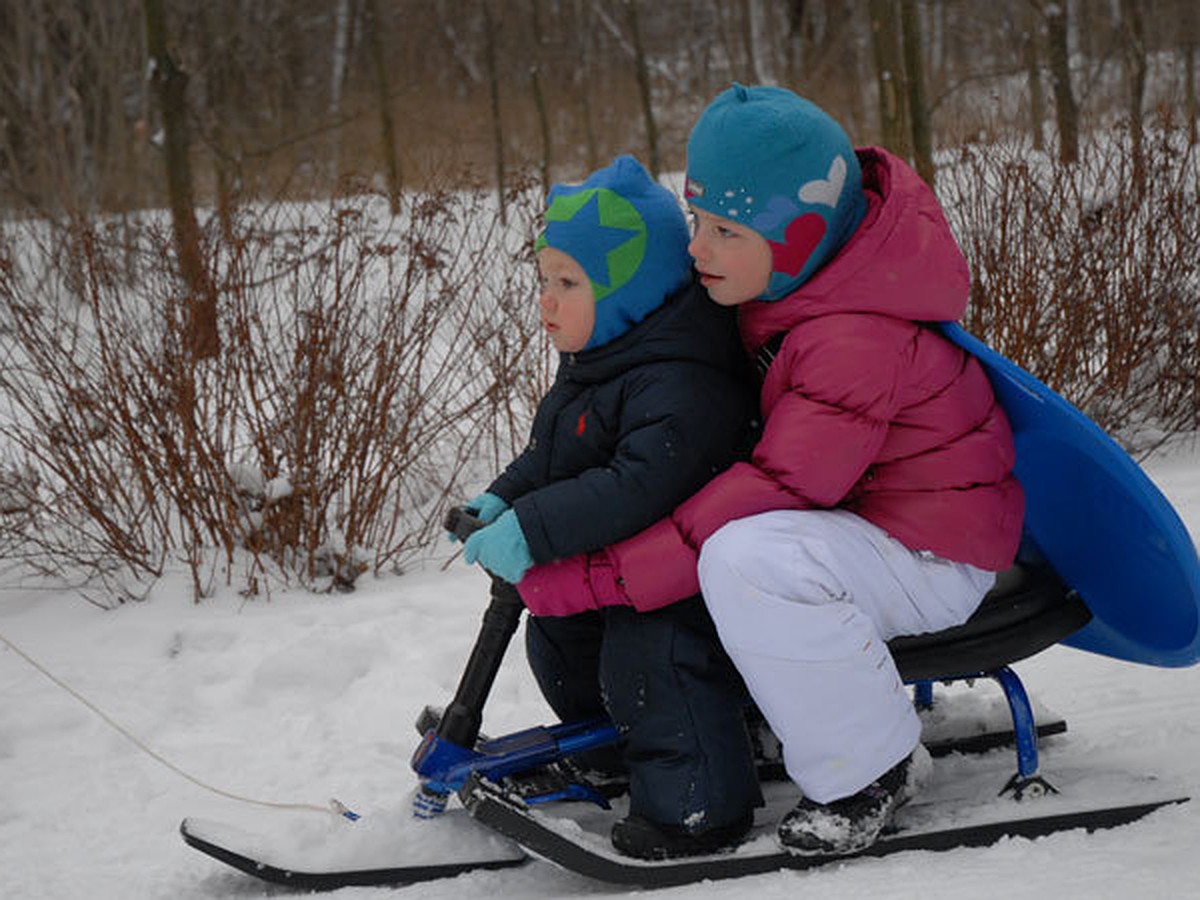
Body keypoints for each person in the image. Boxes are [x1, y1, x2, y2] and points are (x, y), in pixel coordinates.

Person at [515, 84, 1025, 857]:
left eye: (725, 230)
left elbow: (778, 488)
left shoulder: (851, 339)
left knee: (749, 558)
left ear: (802, 233)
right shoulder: (790, 290)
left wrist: (598, 579)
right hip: (868, 522)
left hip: (930, 551)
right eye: (695, 222)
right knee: (736, 545)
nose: (697, 249)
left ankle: (872, 772)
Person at [455, 154, 763, 860]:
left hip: (699, 574)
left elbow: (637, 484)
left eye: (569, 283)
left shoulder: (683, 377)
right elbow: (556, 455)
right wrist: (505, 496)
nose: (546, 300)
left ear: (633, 288)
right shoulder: (600, 360)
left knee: (651, 651)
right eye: (543, 280)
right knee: (557, 634)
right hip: (633, 563)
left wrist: (532, 528)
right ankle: (627, 747)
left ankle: (699, 804)